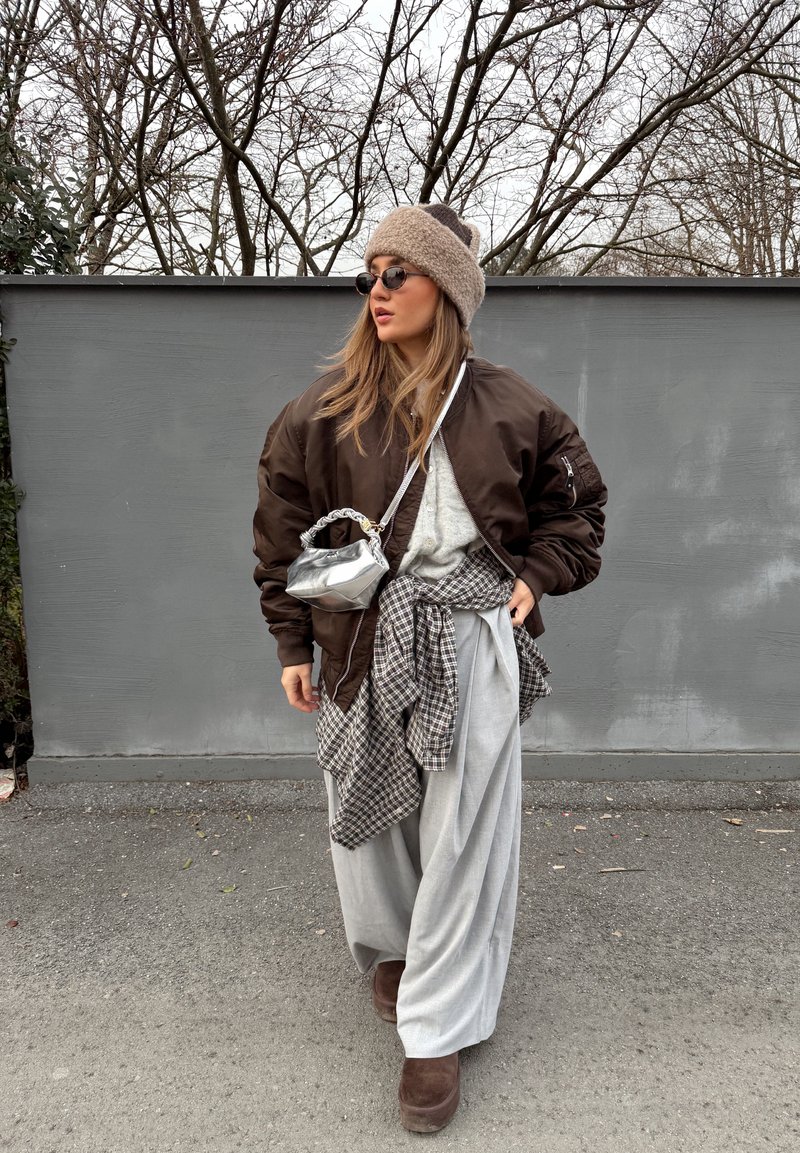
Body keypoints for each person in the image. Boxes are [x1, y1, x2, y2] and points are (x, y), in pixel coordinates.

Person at [253, 203, 607, 1133]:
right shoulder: (323, 411)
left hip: (470, 636)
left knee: (461, 838)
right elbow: (282, 532)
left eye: (396, 273)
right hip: (359, 637)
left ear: (445, 289)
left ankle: (437, 1028)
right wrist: (291, 642)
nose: (375, 289)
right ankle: (396, 950)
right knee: (366, 825)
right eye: (368, 273)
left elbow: (579, 512)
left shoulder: (516, 405)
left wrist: (536, 575)